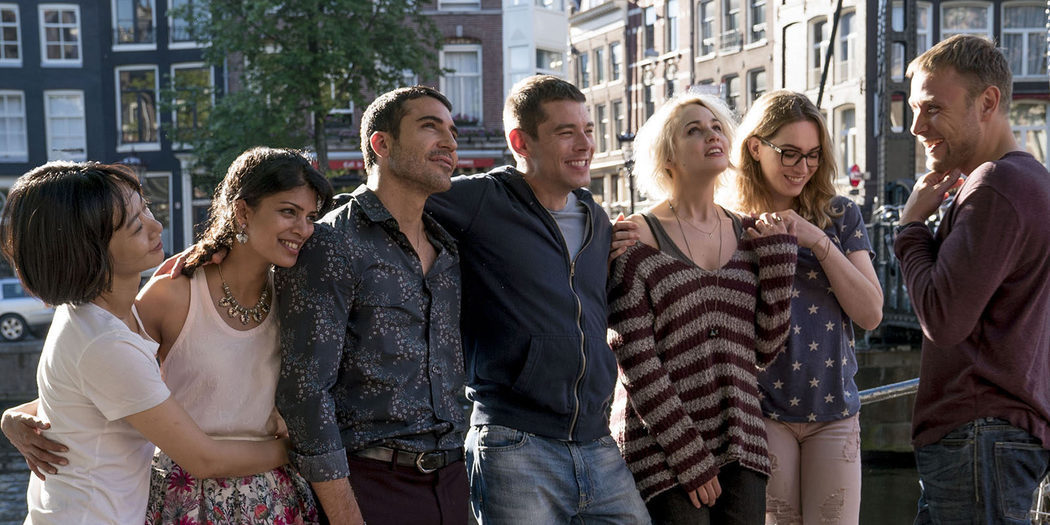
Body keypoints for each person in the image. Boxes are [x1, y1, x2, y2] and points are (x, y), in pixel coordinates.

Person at [0, 161, 290, 524]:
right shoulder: (106, 343)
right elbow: (204, 459)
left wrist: (12, 416)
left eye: (146, 209)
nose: (156, 227)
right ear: (91, 252)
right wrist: (300, 449)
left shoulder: (94, 316)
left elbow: (81, 402)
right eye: (137, 227)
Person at [425, 74, 650, 523]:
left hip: (596, 442)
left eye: (588, 130)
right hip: (515, 443)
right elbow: (384, 202)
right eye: (566, 133)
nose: (585, 144)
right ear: (521, 142)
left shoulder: (597, 219)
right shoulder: (480, 201)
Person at [273, 85, 467, 525]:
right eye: (430, 127)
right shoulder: (332, 242)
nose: (450, 143)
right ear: (382, 144)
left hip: (453, 482)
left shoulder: (448, 250)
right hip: (370, 486)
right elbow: (305, 391)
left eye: (453, 132)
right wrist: (345, 515)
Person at [605, 92, 798, 525]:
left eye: (716, 128)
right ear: (667, 157)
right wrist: (687, 454)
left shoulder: (750, 236)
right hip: (662, 451)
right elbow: (636, 360)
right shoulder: (635, 241)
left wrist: (779, 263)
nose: (712, 135)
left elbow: (764, 350)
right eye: (694, 130)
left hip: (741, 440)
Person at [895, 34, 1050, 524]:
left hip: (978, 433)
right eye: (914, 110)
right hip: (994, 435)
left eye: (933, 108)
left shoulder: (995, 185)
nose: (917, 126)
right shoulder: (1033, 181)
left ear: (987, 103)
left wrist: (910, 229)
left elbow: (943, 317)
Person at [136, 147, 331, 524]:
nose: (304, 229)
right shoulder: (171, 296)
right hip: (186, 500)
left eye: (310, 217)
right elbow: (106, 374)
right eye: (288, 211)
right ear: (243, 212)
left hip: (278, 500)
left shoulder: (297, 300)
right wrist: (20, 416)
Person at [728, 90, 883, 525]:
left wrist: (817, 240)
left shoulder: (839, 215)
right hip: (761, 411)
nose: (802, 167)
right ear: (755, 147)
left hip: (834, 411)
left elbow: (871, 313)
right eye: (790, 153)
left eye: (813, 155)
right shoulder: (728, 224)